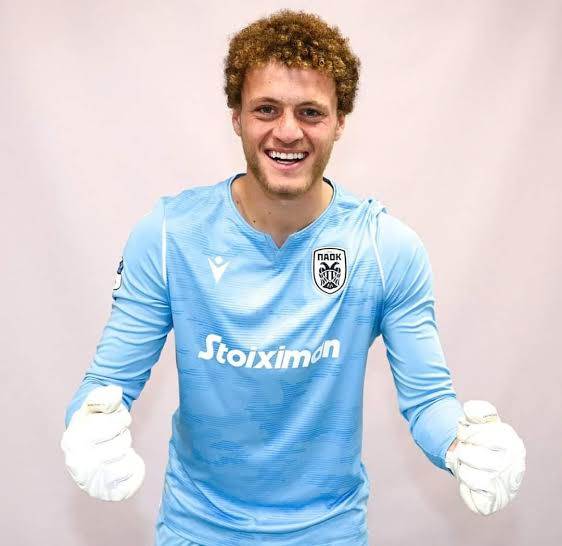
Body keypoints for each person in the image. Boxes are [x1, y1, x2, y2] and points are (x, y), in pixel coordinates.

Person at [60, 10, 526, 546]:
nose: (287, 131)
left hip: (329, 531)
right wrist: (90, 431)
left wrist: (464, 448)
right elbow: (106, 386)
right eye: (266, 109)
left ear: (339, 121)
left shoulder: (384, 248)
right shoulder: (169, 236)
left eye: (310, 112)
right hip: (197, 529)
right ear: (236, 117)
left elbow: (428, 401)